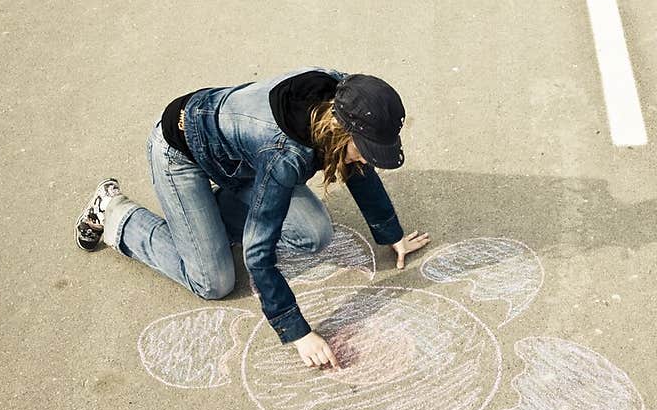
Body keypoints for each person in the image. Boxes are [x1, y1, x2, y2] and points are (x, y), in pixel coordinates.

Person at [74, 68, 430, 369]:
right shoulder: (284, 156)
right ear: (339, 130)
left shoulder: (347, 98)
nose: (368, 159)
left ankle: (203, 224)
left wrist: (390, 232)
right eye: (366, 150)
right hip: (179, 151)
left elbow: (357, 165)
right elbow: (258, 254)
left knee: (314, 232)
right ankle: (116, 214)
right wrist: (297, 331)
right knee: (213, 282)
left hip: (239, 157)